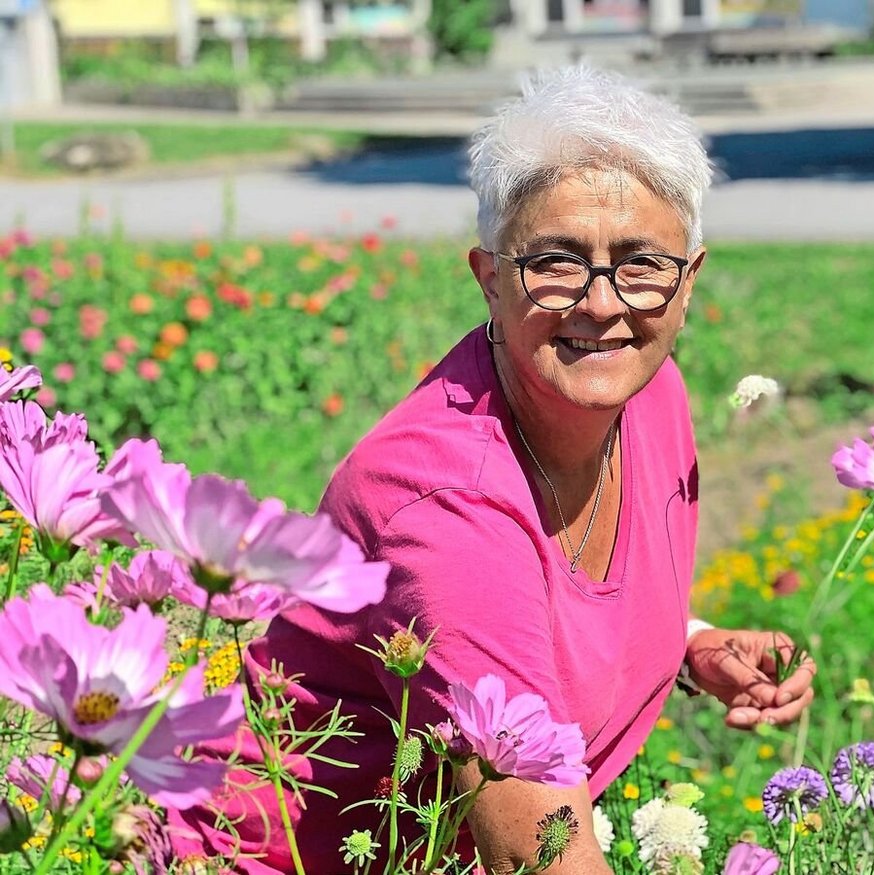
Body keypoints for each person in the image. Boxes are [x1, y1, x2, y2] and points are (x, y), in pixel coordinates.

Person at [169, 65, 816, 874]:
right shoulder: (445, 503)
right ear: (489, 276)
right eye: (556, 261)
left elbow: (543, 610)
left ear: (688, 282)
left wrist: (689, 642)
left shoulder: (650, 399)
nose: (603, 304)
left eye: (642, 263)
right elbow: (538, 858)